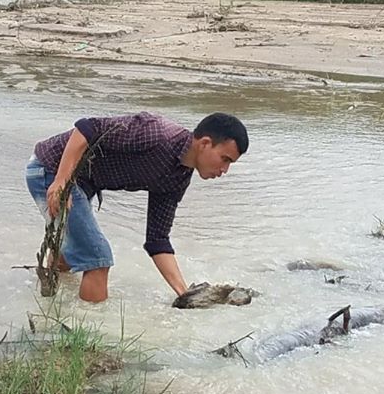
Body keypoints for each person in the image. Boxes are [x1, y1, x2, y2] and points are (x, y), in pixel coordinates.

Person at [25, 111, 248, 303]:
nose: (224, 170)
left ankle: (50, 308)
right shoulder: (157, 134)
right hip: (51, 169)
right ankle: (87, 337)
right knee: (98, 258)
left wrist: (184, 293)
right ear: (205, 143)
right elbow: (86, 128)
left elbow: (157, 240)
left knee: (71, 254)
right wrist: (62, 180)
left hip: (81, 183)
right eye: (225, 159)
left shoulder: (177, 178)